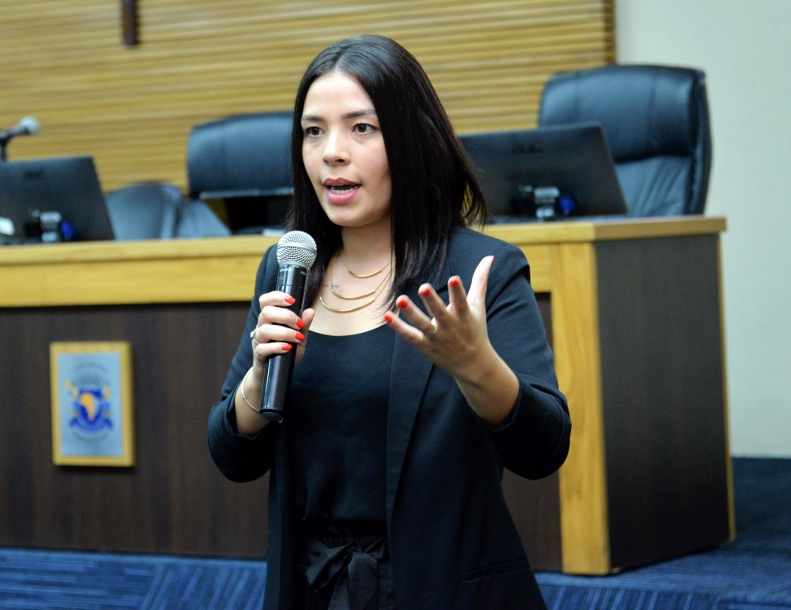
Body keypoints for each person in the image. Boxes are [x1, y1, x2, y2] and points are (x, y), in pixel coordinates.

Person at [208, 35, 571, 610]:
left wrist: (478, 368)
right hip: (315, 590)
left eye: (361, 128)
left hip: (443, 589)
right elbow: (232, 455)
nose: (332, 152)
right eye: (313, 131)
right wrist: (256, 383)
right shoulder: (289, 268)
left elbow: (544, 449)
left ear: (410, 139)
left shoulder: (478, 271)